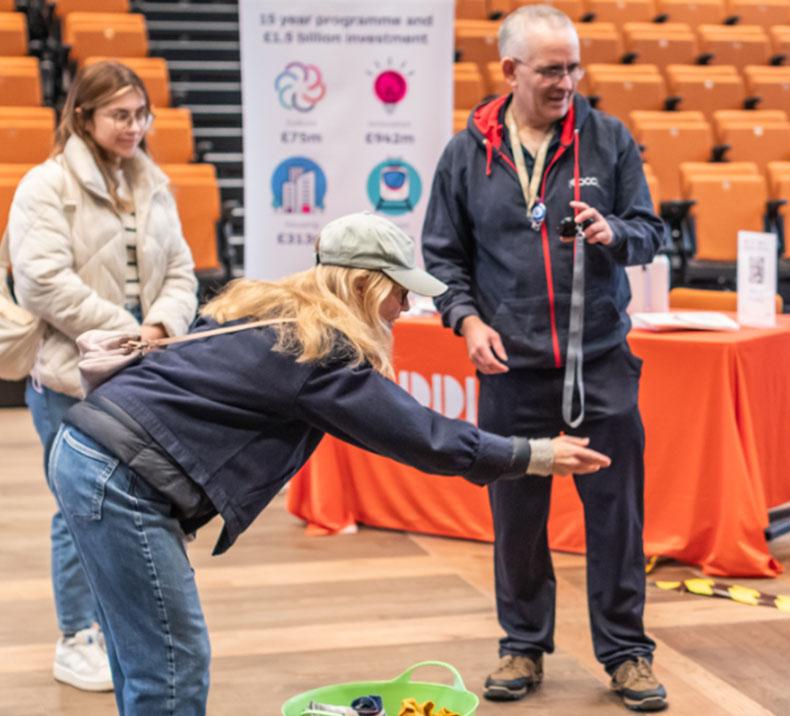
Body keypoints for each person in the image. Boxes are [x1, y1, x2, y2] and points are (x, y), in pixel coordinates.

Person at [48, 212, 610, 714]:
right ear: (364, 285)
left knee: (142, 652)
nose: (406, 307)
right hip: (118, 479)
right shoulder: (318, 349)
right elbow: (425, 437)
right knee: (173, 663)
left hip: (88, 455)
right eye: (399, 292)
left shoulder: (266, 307)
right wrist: (535, 454)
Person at [421, 5, 669, 711]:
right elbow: (442, 257)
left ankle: (626, 654)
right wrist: (465, 322)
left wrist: (613, 231)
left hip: (601, 366)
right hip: (511, 370)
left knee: (616, 516)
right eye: (552, 70)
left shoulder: (609, 140)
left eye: (574, 67)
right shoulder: (465, 153)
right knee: (518, 520)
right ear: (510, 71)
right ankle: (522, 645)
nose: (568, 82)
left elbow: (651, 233)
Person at [5, 60, 199, 692]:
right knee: (77, 507)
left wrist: (162, 326)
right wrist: (125, 328)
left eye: (141, 114)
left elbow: (181, 274)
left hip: (145, 375)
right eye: (120, 114)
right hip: (71, 378)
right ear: (83, 116)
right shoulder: (44, 185)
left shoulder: (154, 182)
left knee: (139, 506)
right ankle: (76, 635)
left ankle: (126, 625)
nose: (134, 126)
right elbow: (40, 281)